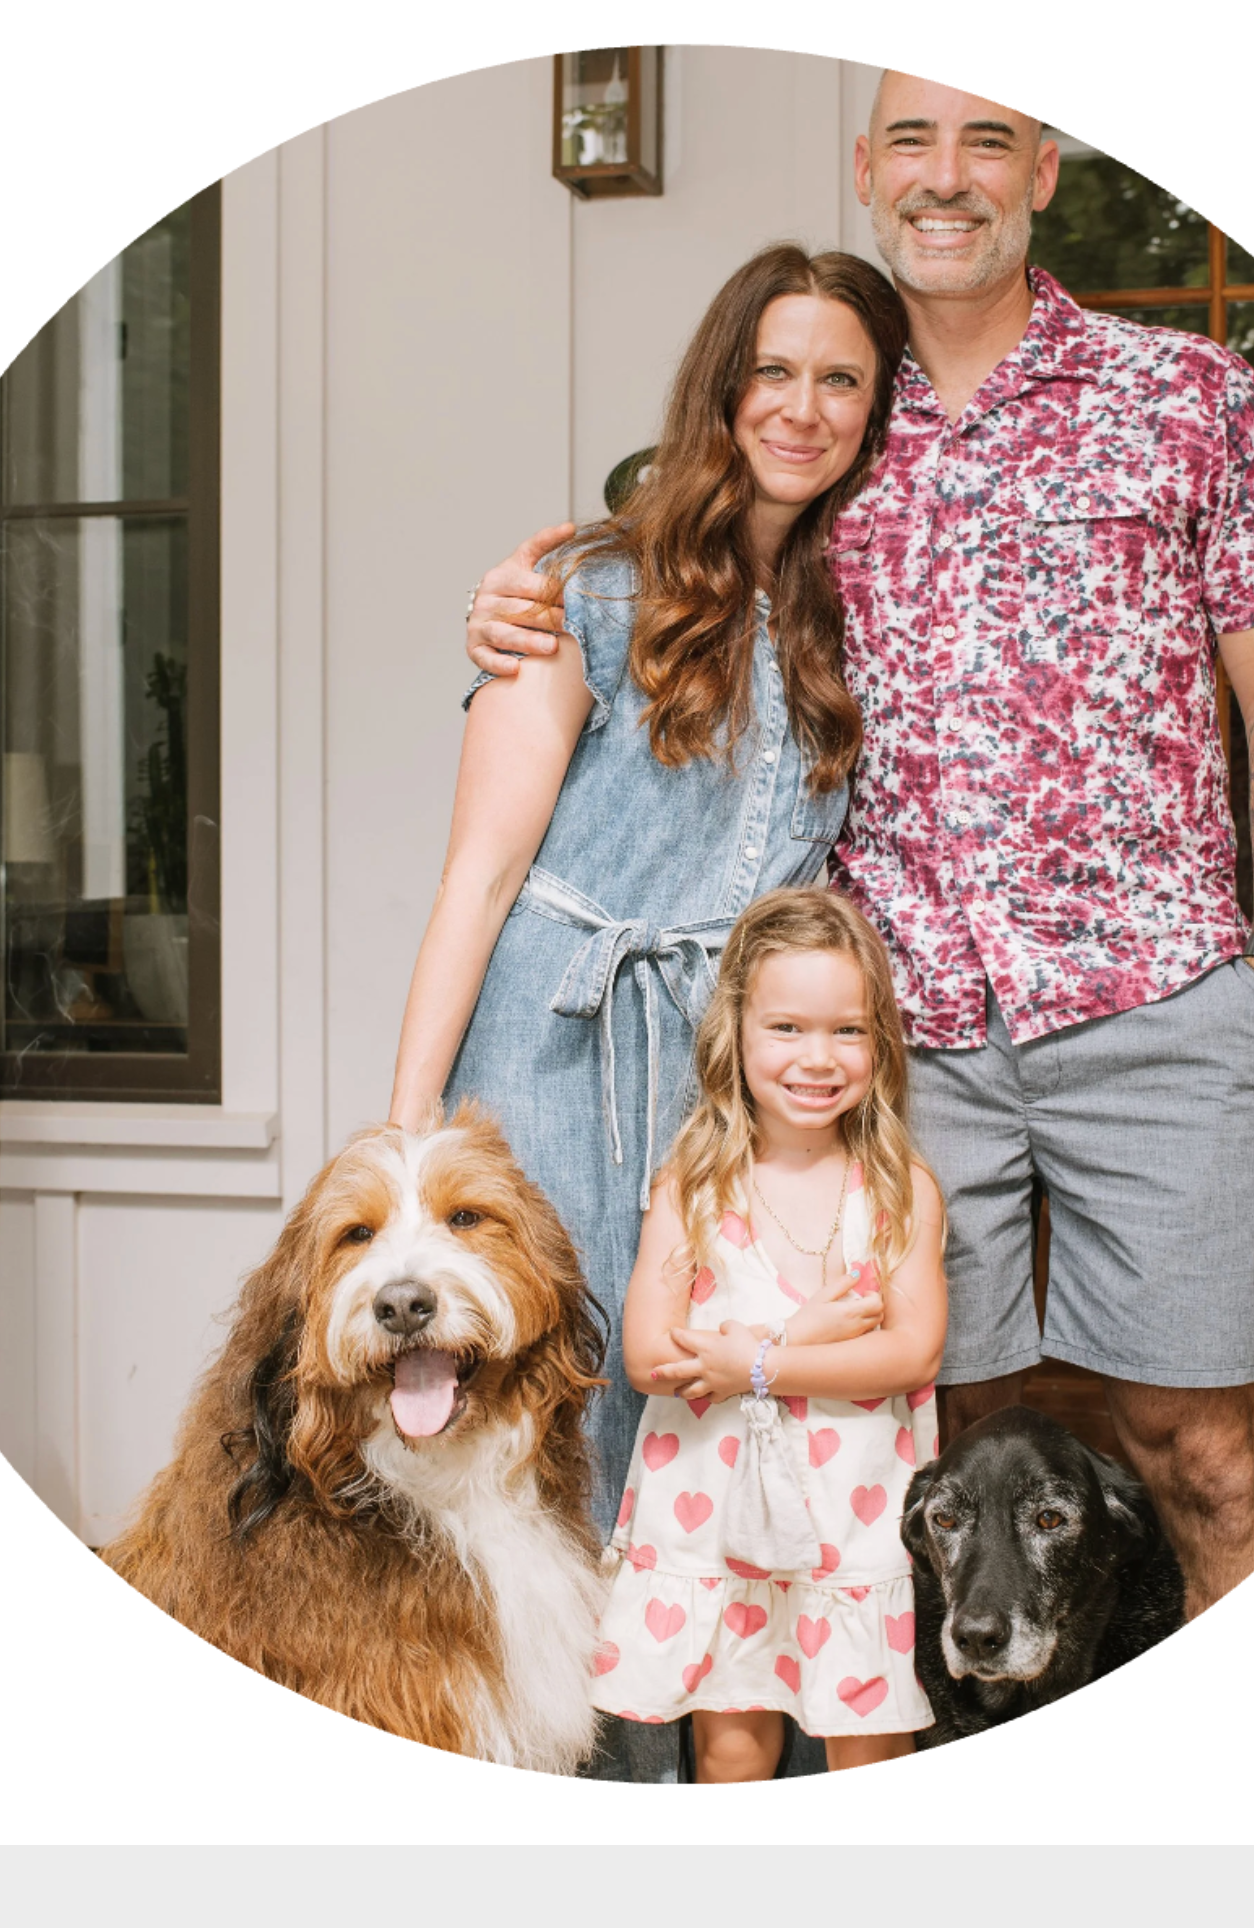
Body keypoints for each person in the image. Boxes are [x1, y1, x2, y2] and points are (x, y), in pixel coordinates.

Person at [466, 71, 1254, 1620]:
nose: (952, 178)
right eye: (918, 144)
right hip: (904, 1038)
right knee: (929, 1467)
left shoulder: (1192, 399)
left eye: (991, 140)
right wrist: (515, 606)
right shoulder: (827, 424)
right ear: (868, 169)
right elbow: (655, 571)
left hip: (1161, 1004)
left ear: (1046, 172)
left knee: (1194, 1448)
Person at [387, 243, 909, 1551]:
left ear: (877, 407)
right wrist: (407, 1143)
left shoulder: (852, 615)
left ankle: (715, 1745)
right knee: (556, 1397)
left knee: (708, 1403)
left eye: (841, 380)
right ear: (722, 392)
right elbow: (480, 874)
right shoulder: (585, 589)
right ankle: (582, 1749)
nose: (803, 408)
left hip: (732, 1070)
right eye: (774, 372)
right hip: (555, 1044)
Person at [595, 887, 945, 1777]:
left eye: (849, 1032)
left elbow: (912, 1351)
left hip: (853, 1520)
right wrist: (806, 1332)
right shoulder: (695, 1186)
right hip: (720, 1524)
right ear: (736, 1034)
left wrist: (752, 1357)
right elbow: (648, 1354)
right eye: (787, 1029)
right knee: (732, 1756)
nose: (818, 1059)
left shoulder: (900, 1188)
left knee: (868, 1754)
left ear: (881, 1042)